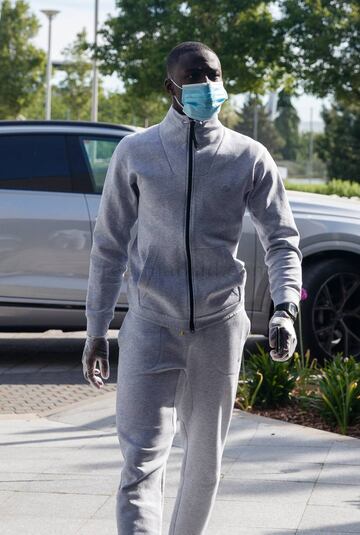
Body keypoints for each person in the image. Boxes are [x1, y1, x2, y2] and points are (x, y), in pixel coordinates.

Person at [82, 41, 302, 535]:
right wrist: (96, 329)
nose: (207, 86)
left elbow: (283, 240)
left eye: (214, 75)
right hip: (150, 325)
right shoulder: (135, 153)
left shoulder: (249, 156)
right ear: (171, 87)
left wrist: (286, 307)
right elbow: (109, 246)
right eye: (195, 77)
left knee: (204, 465)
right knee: (140, 461)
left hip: (219, 327)